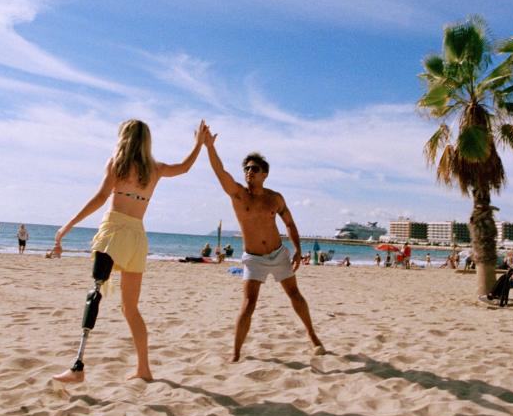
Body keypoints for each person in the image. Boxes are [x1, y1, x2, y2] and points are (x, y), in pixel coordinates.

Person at [50, 119, 207, 384]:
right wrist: (199, 144)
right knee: (130, 308)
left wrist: (67, 226)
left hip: (114, 233)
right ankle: (144, 369)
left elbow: (100, 199)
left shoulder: (118, 164)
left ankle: (77, 367)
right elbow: (185, 167)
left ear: (124, 137)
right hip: (137, 237)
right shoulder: (154, 169)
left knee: (95, 294)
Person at [202, 129, 325, 362]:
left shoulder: (275, 198)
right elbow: (220, 173)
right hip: (254, 258)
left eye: (254, 169)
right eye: (246, 168)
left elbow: (289, 223)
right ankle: (236, 353)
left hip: (278, 254)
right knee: (248, 305)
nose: (249, 172)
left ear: (264, 174)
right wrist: (209, 147)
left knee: (295, 295)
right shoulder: (238, 195)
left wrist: (298, 250)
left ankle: (312, 336)